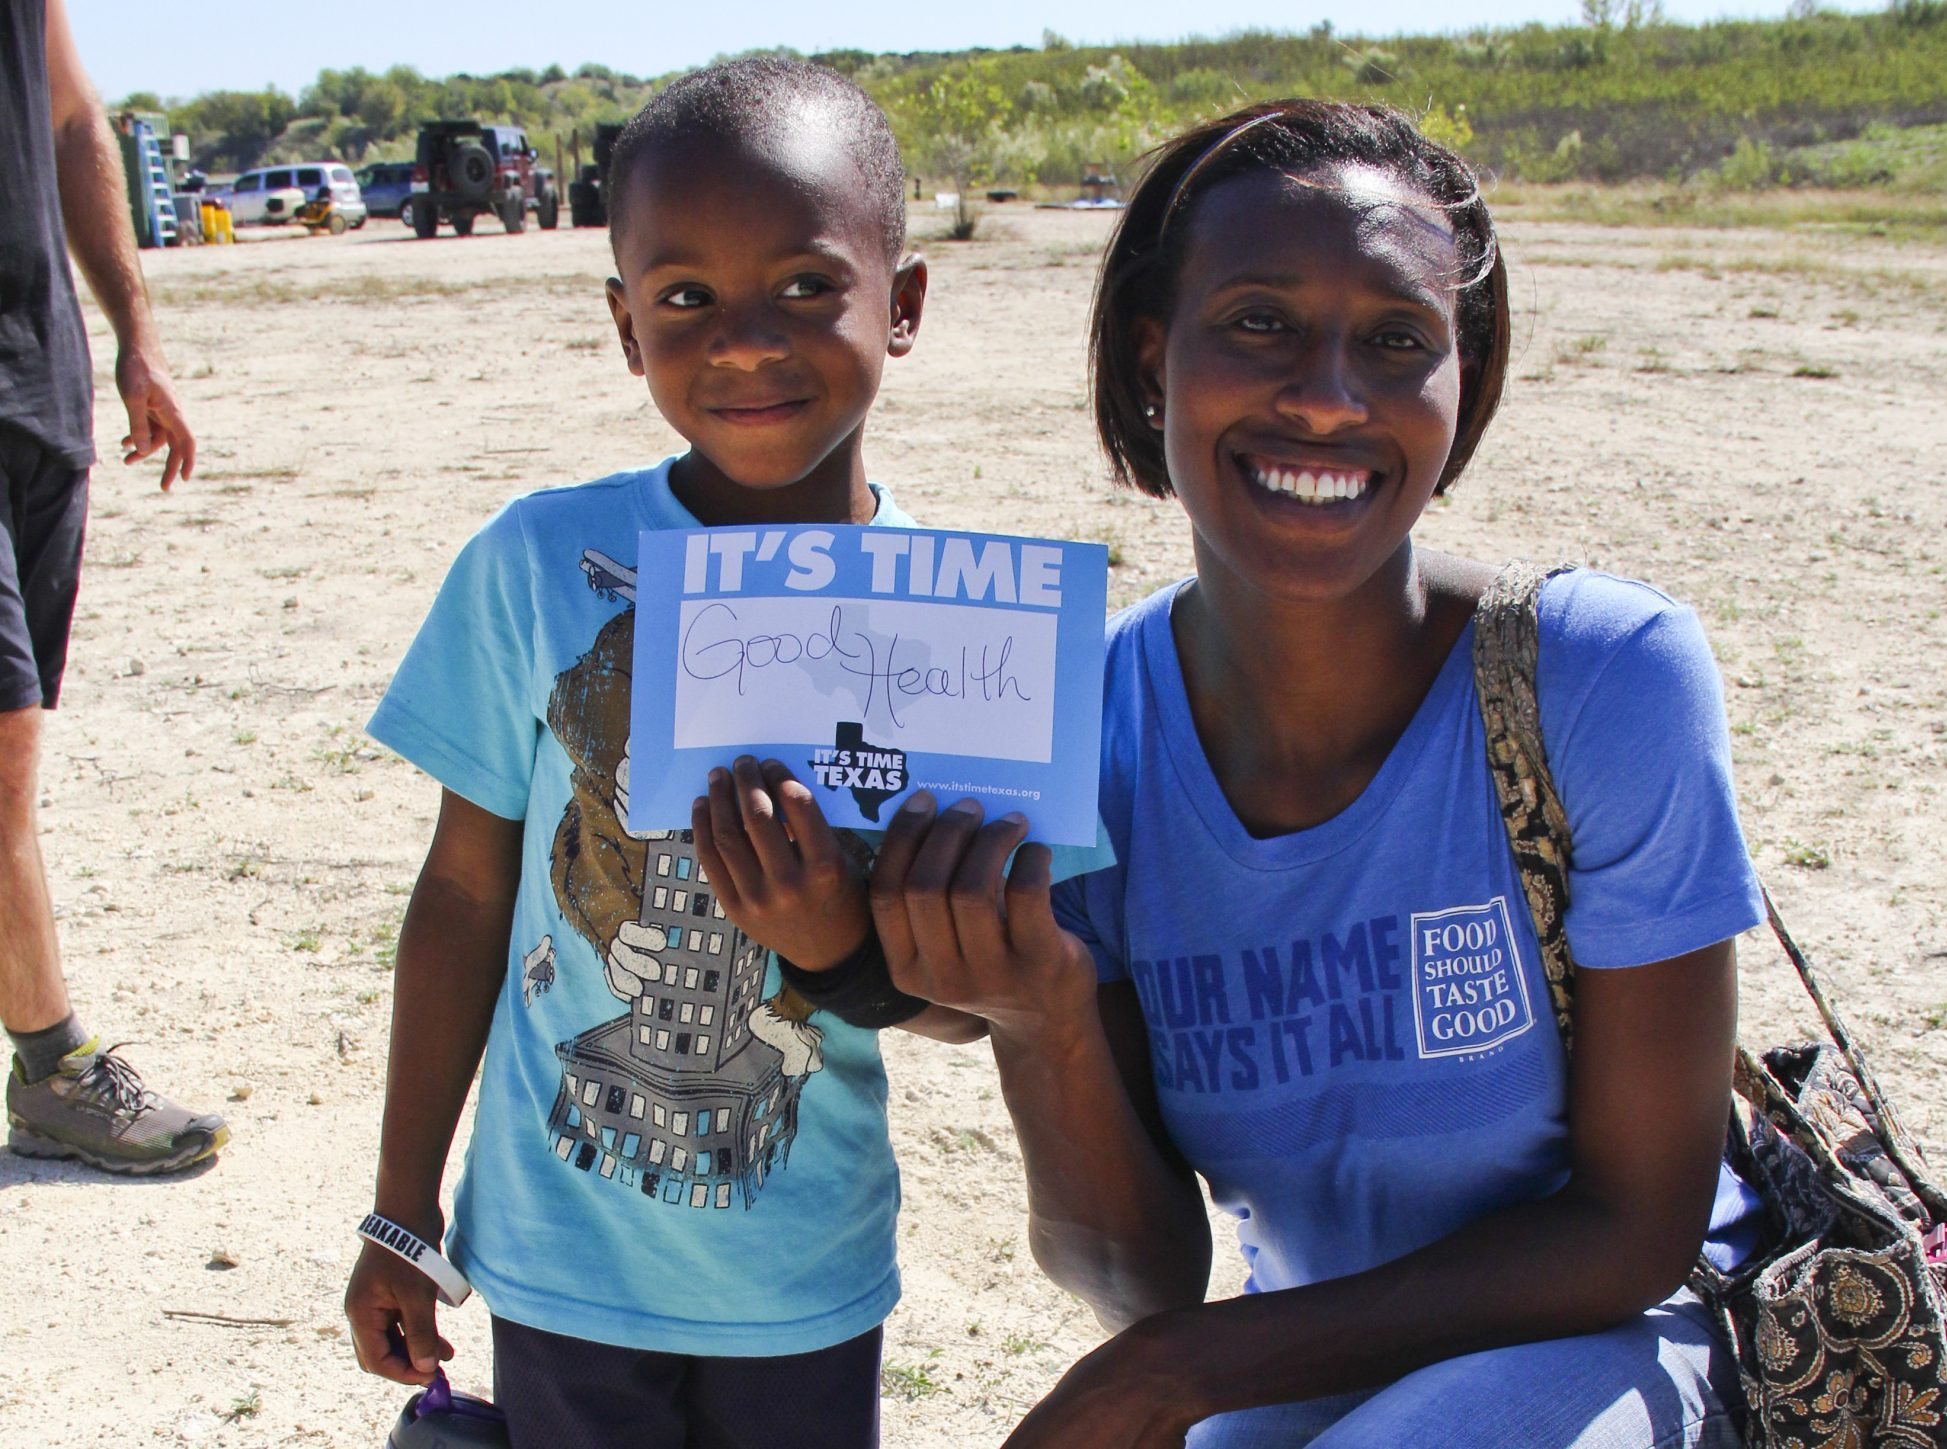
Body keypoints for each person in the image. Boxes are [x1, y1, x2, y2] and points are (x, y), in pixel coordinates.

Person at [868, 100, 1767, 1448]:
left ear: (1464, 381)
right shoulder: (1087, 731)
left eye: (1398, 340)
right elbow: (1145, 1279)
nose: (1331, 394)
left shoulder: (1600, 679)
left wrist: (1162, 1380)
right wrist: (1038, 1016)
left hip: (1627, 1340)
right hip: (1296, 1353)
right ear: (1153, 356)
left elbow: (1636, 1229)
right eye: (1261, 322)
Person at [342, 58, 992, 1449]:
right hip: (564, 1262)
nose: (746, 340)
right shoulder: (536, 565)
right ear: (626, 325)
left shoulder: (957, 628)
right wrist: (403, 1207)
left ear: (908, 303)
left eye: (810, 285)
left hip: (804, 1280)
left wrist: (835, 949)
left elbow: (987, 998)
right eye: (686, 296)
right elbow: (464, 896)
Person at [3, 0, 218, 1175]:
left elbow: (75, 116)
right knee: (4, 748)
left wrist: (135, 333)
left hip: (36, 385)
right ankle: (52, 1065)